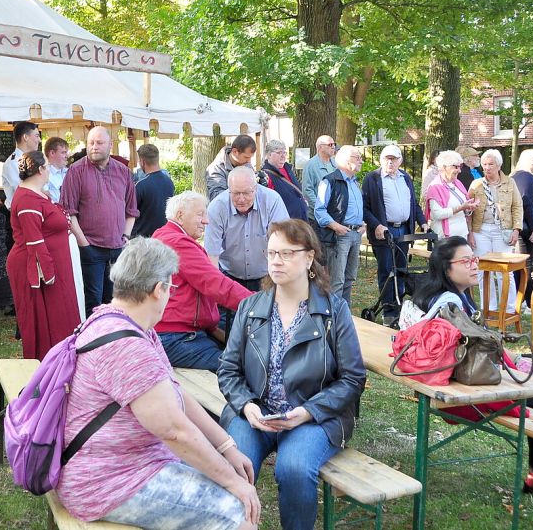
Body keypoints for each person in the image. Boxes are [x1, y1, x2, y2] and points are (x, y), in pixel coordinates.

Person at [55, 238, 260, 530]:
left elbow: (175, 391)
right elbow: (174, 431)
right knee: (237, 511)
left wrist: (226, 447)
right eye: (171, 288)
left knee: (222, 484)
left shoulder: (122, 323)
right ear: (158, 290)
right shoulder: (127, 345)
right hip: (105, 483)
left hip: (129, 464)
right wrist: (234, 483)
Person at [218, 219, 366, 530]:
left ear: (309, 258)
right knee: (233, 464)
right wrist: (247, 406)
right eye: (271, 253)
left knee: (294, 468)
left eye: (286, 253)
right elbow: (229, 370)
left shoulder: (333, 311)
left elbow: (353, 379)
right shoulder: (251, 307)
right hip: (256, 414)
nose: (276, 261)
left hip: (314, 417)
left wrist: (308, 412)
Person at [405, 237, 533, 494]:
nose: (474, 265)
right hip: (460, 397)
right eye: (466, 260)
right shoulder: (452, 305)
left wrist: (510, 360)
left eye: (474, 258)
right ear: (447, 268)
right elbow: (466, 360)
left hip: (459, 386)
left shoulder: (448, 296)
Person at [153, 192, 252, 371]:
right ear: (180, 216)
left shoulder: (163, 235)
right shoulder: (177, 243)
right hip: (177, 336)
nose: (206, 221)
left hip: (176, 332)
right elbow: (216, 284)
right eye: (200, 214)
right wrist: (260, 304)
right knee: (240, 368)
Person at [6, 151, 82, 360]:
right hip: (38, 268)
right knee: (44, 319)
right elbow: (34, 240)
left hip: (51, 264)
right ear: (40, 170)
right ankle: (47, 365)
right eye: (47, 166)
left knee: (59, 316)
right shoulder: (27, 200)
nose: (49, 170)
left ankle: (61, 361)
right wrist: (48, 274)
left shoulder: (37, 194)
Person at [60, 126, 139, 316]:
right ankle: (91, 341)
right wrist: (84, 243)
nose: (94, 147)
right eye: (91, 143)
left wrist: (126, 236)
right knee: (93, 300)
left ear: (110, 145)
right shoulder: (76, 171)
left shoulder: (122, 171)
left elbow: (131, 209)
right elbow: (68, 211)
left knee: (115, 299)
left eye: (99, 143)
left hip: (117, 247)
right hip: (91, 247)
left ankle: (110, 339)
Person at [362, 144, 429, 325]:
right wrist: (376, 225)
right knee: (386, 271)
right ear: (381, 160)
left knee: (401, 271)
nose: (390, 162)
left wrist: (422, 221)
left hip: (404, 231)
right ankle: (389, 312)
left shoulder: (405, 177)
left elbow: (413, 203)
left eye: (393, 159)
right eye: (386, 158)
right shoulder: (373, 178)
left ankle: (401, 309)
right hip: (384, 231)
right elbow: (365, 208)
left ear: (400, 161)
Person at [205, 166, 289, 292]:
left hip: (267, 276)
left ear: (255, 189)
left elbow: (283, 242)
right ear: (229, 190)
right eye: (236, 193)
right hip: (230, 276)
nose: (241, 199)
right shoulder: (217, 207)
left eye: (246, 193)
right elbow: (212, 254)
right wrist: (216, 289)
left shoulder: (272, 201)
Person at [468, 148, 523, 314]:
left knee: (504, 271)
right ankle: (488, 307)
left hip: (502, 230)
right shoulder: (476, 184)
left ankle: (509, 308)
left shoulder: (509, 183)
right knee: (483, 270)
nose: (487, 167)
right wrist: (470, 232)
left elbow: (517, 206)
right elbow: (468, 210)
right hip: (481, 230)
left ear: (498, 165)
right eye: (484, 164)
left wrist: (516, 229)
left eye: (490, 164)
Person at [313, 145, 366, 304]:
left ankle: (345, 314)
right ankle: (333, 318)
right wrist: (336, 226)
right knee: (337, 281)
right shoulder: (330, 180)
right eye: (357, 157)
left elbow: (356, 209)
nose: (361, 161)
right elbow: (319, 210)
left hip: (356, 234)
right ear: (344, 160)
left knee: (350, 278)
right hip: (339, 236)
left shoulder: (355, 182)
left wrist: (363, 225)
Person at [511, 149, 533, 308]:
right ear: (524, 160)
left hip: (523, 227)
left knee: (524, 264)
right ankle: (529, 301)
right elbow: (525, 201)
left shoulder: (521, 176)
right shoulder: (524, 176)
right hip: (526, 229)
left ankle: (524, 300)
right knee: (527, 264)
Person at [424, 150, 479, 240]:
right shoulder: (435, 187)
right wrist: (461, 208)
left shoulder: (458, 183)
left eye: (460, 166)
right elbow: (438, 214)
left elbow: (464, 208)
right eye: (456, 167)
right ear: (444, 167)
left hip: (462, 234)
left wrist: (470, 207)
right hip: (446, 238)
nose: (459, 170)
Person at [132, 144, 175, 238]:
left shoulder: (141, 185)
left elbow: (131, 212)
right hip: (163, 236)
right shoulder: (169, 182)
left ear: (142, 162)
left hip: (143, 239)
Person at [260, 140, 307, 220]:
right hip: (285, 223)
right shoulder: (265, 176)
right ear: (269, 155)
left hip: (301, 220)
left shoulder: (288, 169)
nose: (283, 156)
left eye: (284, 153)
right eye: (279, 153)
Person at [206, 135, 262, 201]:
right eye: (246, 157)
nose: (249, 161)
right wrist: (241, 190)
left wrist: (259, 185)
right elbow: (217, 197)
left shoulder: (246, 164)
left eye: (250, 157)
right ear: (235, 151)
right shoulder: (215, 169)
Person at [1, 121, 42, 209]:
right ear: (25, 137)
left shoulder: (33, 160)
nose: (40, 140)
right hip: (22, 213)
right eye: (37, 136)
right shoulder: (13, 163)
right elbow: (25, 191)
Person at [301, 135, 337, 223]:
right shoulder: (310, 165)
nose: (333, 147)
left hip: (335, 216)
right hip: (317, 218)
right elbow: (307, 191)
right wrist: (320, 210)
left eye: (334, 144)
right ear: (320, 147)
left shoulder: (336, 164)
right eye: (330, 144)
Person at [43, 137, 70, 203]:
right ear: (52, 153)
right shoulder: (43, 174)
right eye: (63, 153)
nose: (67, 156)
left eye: (66, 153)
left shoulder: (70, 172)